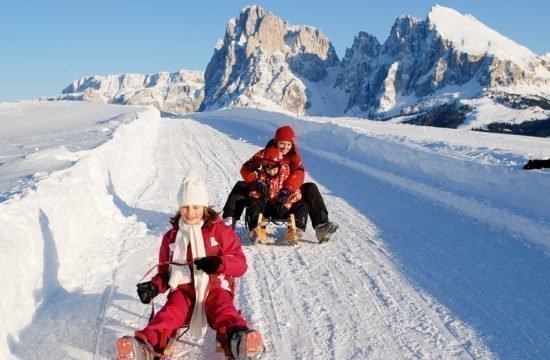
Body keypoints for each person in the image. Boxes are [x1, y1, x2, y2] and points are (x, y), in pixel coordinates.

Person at [116, 169, 263, 360]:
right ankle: (145, 346)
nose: (190, 213)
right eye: (185, 207)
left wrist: (219, 263)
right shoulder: (171, 237)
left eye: (195, 207)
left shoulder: (220, 232)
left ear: (204, 207)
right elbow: (165, 272)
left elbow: (240, 265)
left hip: (214, 288)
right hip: (183, 291)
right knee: (168, 315)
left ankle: (239, 340)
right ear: (179, 208)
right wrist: (154, 287)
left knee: (224, 311)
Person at [223, 125, 339, 243]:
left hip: (286, 191)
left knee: (311, 187)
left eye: (289, 144)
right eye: (282, 143)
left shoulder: (293, 157)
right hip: (266, 191)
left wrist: (287, 189)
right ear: (276, 142)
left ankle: (321, 226)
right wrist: (256, 181)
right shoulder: (264, 154)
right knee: (241, 185)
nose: (285, 147)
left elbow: (299, 174)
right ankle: (229, 221)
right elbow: (246, 168)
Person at [246, 147, 309, 242]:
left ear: (279, 166)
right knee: (253, 202)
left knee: (303, 204)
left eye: (274, 170)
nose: (271, 172)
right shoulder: (260, 177)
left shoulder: (287, 176)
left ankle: (296, 230)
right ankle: (256, 229)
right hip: (267, 208)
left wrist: (286, 203)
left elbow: (297, 194)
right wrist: (259, 191)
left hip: (284, 207)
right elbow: (252, 194)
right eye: (268, 170)